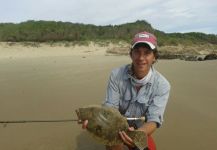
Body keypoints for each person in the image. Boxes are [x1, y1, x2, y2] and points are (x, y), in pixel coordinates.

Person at [82, 31, 170, 150]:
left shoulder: (162, 85)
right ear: (131, 54)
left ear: (154, 57)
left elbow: (154, 120)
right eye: (137, 52)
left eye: (147, 53)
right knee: (115, 145)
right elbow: (110, 107)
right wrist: (95, 122)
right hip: (115, 128)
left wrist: (138, 134)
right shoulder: (116, 75)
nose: (141, 58)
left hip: (140, 129)